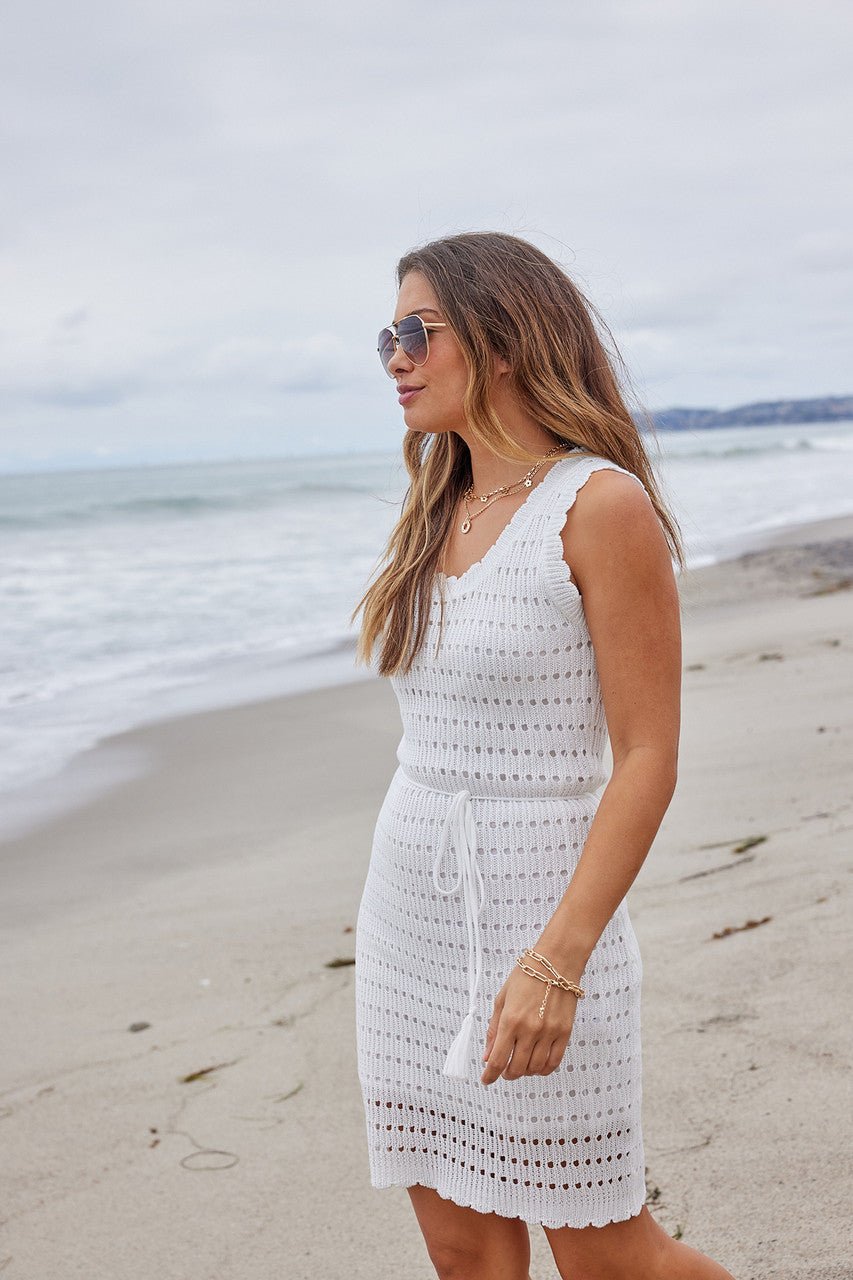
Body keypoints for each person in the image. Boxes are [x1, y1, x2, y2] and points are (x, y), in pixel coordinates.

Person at [351, 231, 735, 1280]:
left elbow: (647, 755)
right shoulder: (436, 509)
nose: (395, 357)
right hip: (408, 922)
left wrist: (556, 961)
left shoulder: (599, 505)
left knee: (611, 1256)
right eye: (386, 337)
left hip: (547, 911)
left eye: (417, 331)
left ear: (505, 338)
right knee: (463, 1253)